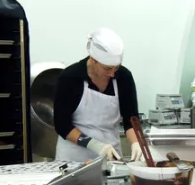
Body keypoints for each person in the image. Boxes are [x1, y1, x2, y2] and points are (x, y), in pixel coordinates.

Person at [53, 28, 144, 162]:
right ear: (93, 59)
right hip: (73, 157)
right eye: (107, 68)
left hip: (111, 156)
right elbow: (62, 125)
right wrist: (95, 145)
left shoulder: (124, 77)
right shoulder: (70, 77)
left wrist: (136, 143)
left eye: (116, 68)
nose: (113, 74)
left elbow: (130, 119)